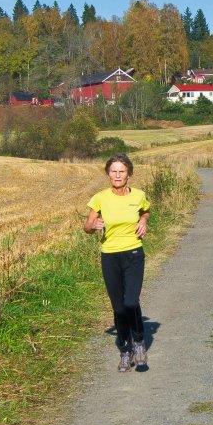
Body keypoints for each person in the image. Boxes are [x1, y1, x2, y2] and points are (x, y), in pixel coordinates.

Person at [84, 153, 150, 371]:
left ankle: (139, 341)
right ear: (108, 174)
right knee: (119, 307)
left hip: (133, 253)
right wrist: (92, 226)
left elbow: (146, 210)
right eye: (114, 171)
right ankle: (125, 349)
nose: (118, 175)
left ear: (129, 174)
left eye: (122, 171)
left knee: (131, 301)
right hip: (110, 256)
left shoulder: (139, 195)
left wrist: (142, 220)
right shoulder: (100, 198)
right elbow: (87, 226)